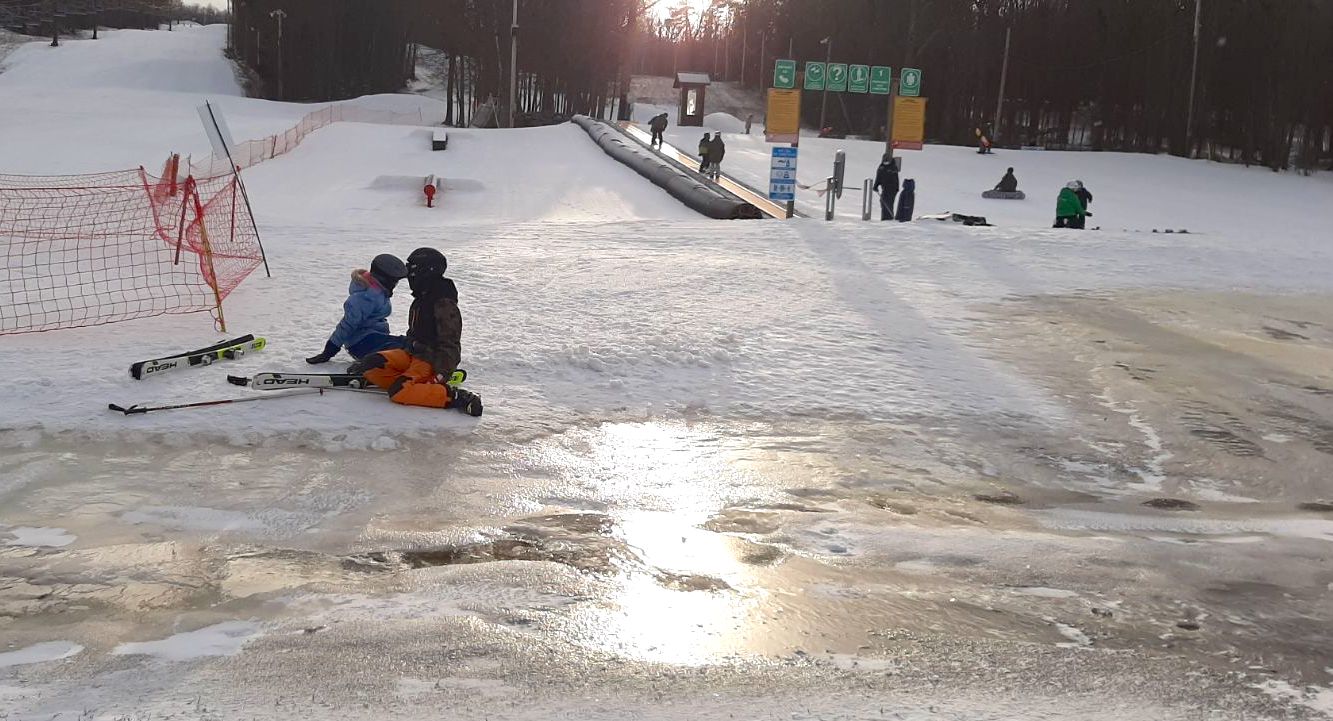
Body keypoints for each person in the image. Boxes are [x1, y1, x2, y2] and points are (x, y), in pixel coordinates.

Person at [347, 247, 482, 416]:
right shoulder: (423, 298)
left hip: (429, 360)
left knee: (399, 392)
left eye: (413, 270)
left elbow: (450, 341)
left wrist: (442, 372)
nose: (410, 275)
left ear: (426, 272)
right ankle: (409, 382)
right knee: (371, 363)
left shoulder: (442, 303)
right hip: (412, 354)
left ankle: (454, 396)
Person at [307, 254, 408, 364]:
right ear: (384, 278)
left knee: (410, 344)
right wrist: (328, 352)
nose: (395, 284)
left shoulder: (379, 290)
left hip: (376, 338)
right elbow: (346, 326)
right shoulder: (365, 297)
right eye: (394, 281)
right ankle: (371, 368)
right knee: (402, 350)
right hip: (362, 343)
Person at [873, 153, 900, 221]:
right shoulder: (881, 167)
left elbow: (895, 180)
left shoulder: (893, 168)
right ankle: (884, 217)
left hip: (892, 189)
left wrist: (895, 189)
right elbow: (878, 177)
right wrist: (876, 185)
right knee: (883, 202)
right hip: (884, 188)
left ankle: (889, 218)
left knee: (889, 203)